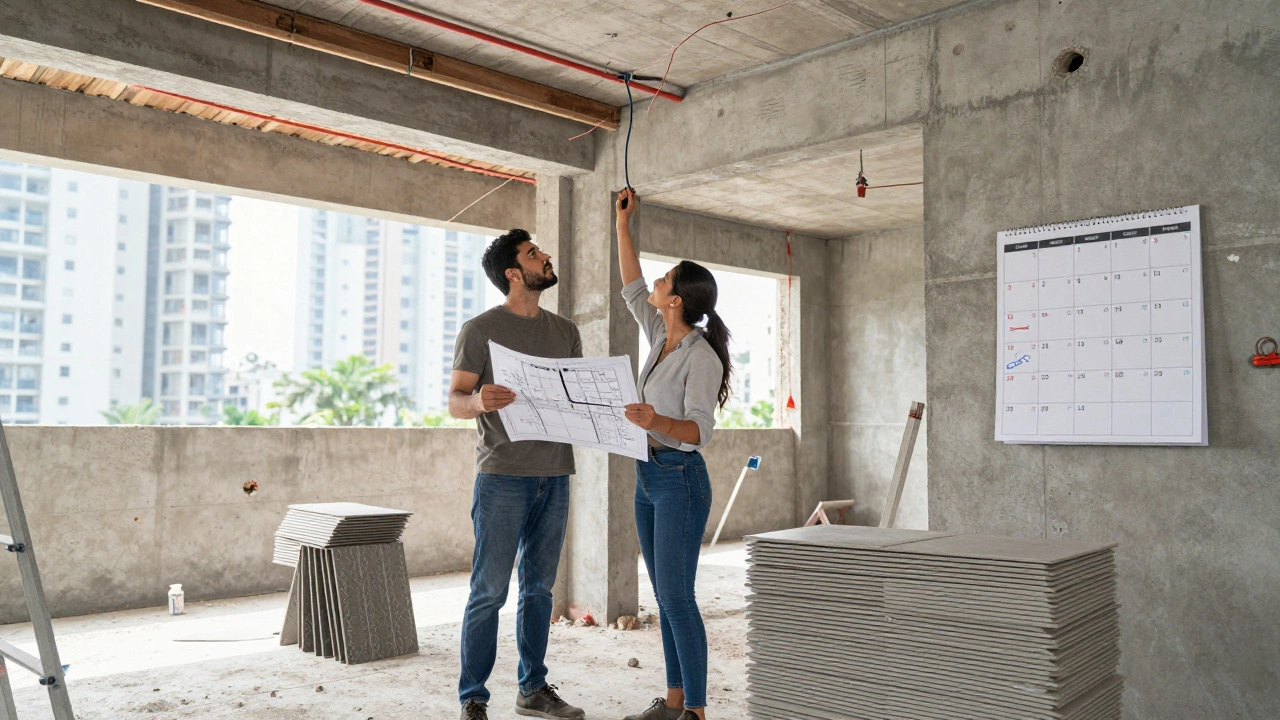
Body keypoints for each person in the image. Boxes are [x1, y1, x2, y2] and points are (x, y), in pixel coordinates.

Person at [449, 229, 586, 720]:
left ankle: (533, 689)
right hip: (502, 476)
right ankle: (474, 698)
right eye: (534, 254)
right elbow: (454, 402)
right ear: (513, 272)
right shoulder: (479, 329)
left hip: (556, 473)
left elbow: (578, 397)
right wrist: (477, 400)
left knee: (539, 589)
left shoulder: (565, 330)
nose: (546, 256)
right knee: (489, 590)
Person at [614, 188, 733, 720]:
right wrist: (623, 225)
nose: (657, 284)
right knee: (662, 596)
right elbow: (631, 284)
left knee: (678, 598)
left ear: (678, 299)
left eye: (667, 281)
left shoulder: (700, 356)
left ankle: (698, 711)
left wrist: (654, 421)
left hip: (680, 477)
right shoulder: (660, 330)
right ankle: (675, 699)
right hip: (646, 475)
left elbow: (700, 430)